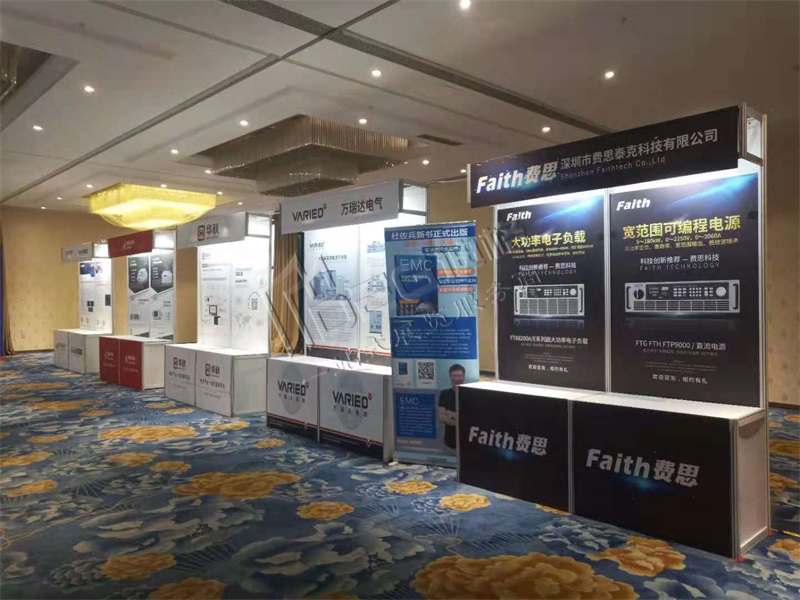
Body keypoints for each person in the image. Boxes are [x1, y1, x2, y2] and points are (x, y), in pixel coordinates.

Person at [437, 364, 465, 450]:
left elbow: (471, 419)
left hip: (466, 442)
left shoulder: (470, 394)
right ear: (450, 377)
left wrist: (449, 413)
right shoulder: (444, 394)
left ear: (464, 376)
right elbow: (441, 418)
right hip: (450, 442)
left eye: (459, 376)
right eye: (454, 376)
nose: (457, 379)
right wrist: (461, 421)